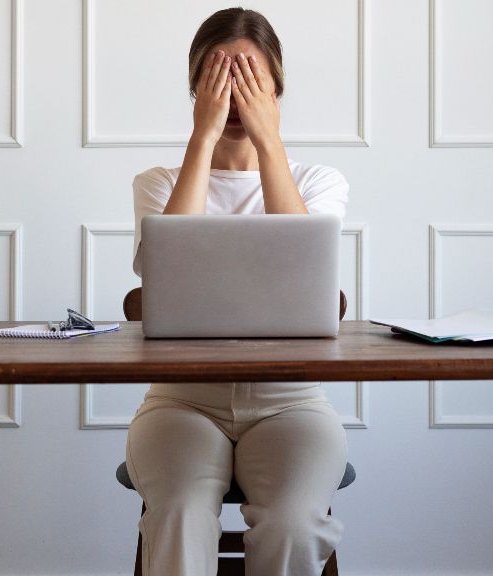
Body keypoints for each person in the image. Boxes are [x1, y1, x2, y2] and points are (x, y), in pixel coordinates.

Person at [126, 8, 350, 576]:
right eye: (218, 78)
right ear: (195, 89)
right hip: (181, 401)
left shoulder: (320, 182)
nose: (234, 96)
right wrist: (201, 138)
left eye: (249, 77)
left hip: (292, 402)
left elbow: (302, 274)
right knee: (178, 515)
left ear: (277, 89)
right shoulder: (157, 183)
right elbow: (164, 274)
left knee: (295, 522)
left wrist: (269, 142)